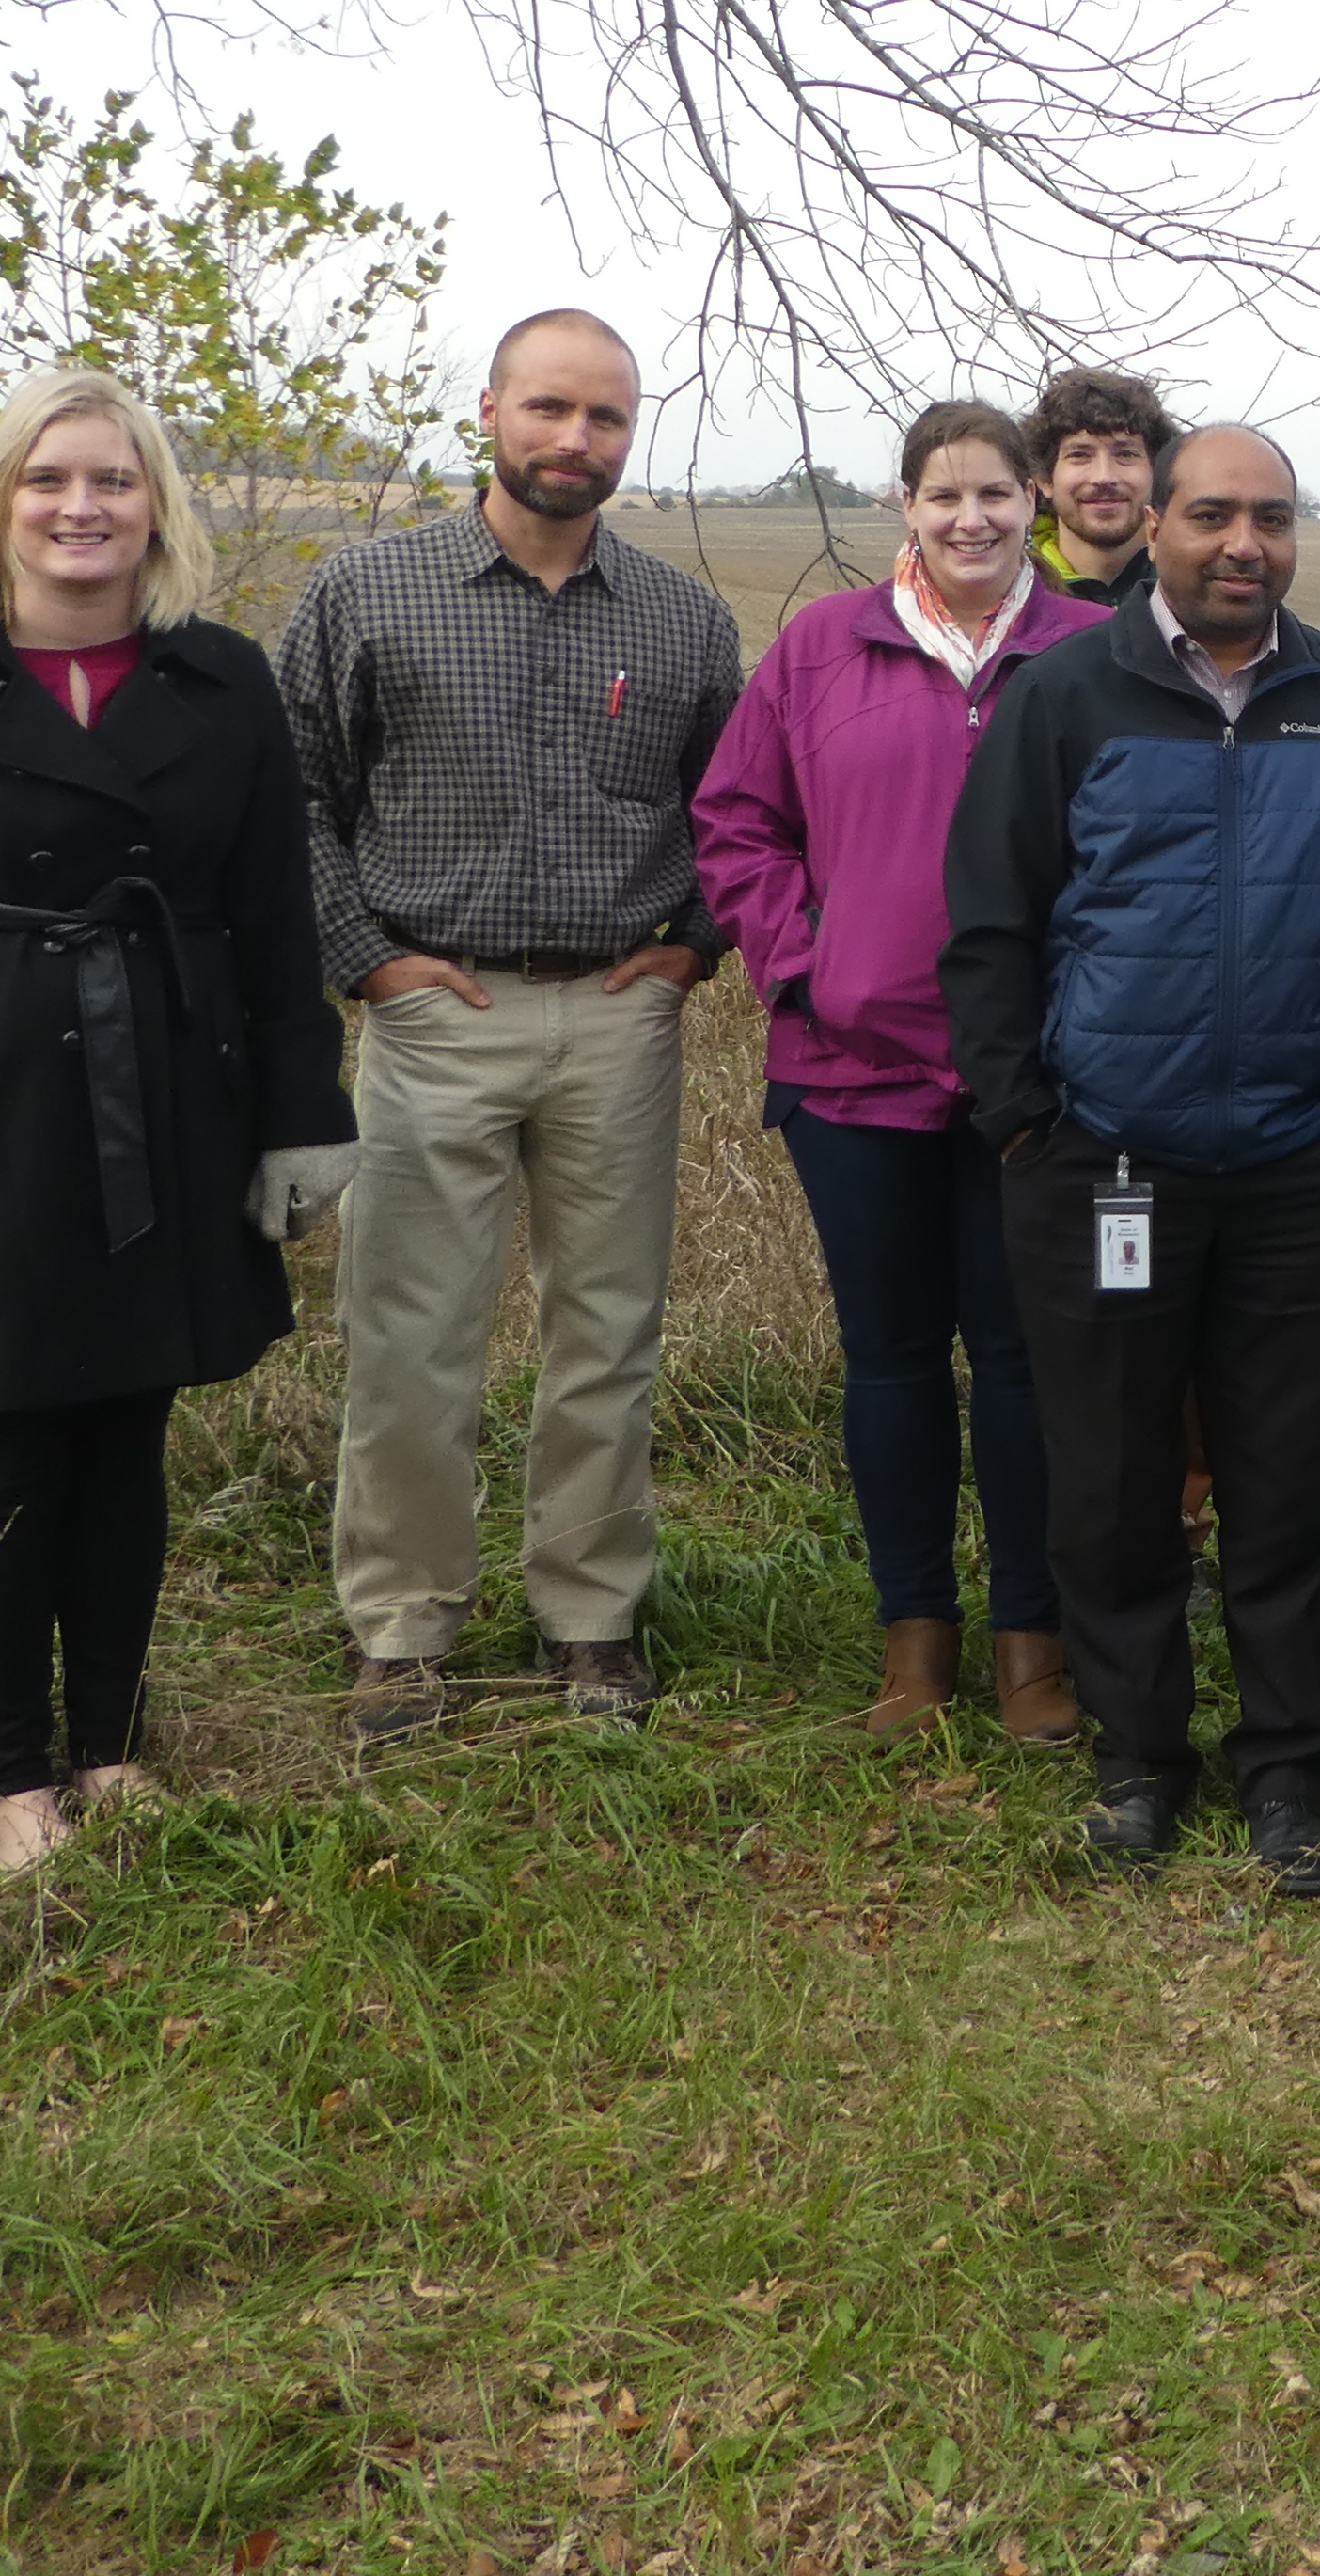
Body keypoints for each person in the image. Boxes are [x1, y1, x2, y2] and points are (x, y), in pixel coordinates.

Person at [0, 370, 355, 1873]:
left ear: (155, 503)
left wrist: (304, 1112)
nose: (80, 508)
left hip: (171, 1086)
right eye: (48, 481)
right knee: (13, 1444)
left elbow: (274, 919)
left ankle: (107, 1747)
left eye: (111, 480)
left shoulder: (224, 679)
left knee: (130, 1435)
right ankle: (14, 1774)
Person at [942, 422, 1320, 1891]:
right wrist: (1028, 1115)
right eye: (1213, 514)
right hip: (1105, 1164)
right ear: (1149, 526)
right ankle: (1137, 1763)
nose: (1245, 544)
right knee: (1106, 1483)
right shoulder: (1068, 696)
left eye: (1271, 519)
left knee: (1287, 1487)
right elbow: (992, 920)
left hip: (1303, 1167)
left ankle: (1289, 1772)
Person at [279, 311, 742, 1739]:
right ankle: (405, 1626)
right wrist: (368, 964)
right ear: (488, 410)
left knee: (610, 1330)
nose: (574, 440)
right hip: (435, 1013)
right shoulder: (371, 590)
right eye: (549, 408)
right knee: (410, 1338)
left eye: (605, 418)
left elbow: (739, 812)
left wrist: (690, 949)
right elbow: (289, 792)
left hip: (618, 1018)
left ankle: (591, 1617)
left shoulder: (682, 619)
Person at [693, 401, 1108, 1745]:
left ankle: (1030, 1648)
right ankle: (912, 1644)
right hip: (851, 1075)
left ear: (1032, 501)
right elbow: (736, 821)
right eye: (946, 498)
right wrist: (804, 964)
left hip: (1033, 1086)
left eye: (996, 495)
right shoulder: (823, 647)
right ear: (905, 507)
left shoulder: (1093, 654)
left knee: (1026, 1363)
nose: (972, 520)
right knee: (891, 1365)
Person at [1026, 367, 1177, 605]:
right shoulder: (1013, 592)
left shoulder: (1192, 590)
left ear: (1158, 472)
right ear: (1044, 478)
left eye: (1125, 454)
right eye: (1080, 455)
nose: (1104, 477)